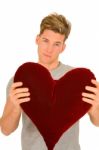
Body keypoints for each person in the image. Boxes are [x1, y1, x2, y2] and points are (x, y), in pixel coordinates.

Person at [1, 12, 99, 150]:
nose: (49, 49)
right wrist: (14, 105)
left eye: (56, 44)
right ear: (37, 39)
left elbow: (97, 122)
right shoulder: (20, 80)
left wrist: (95, 107)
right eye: (45, 40)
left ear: (63, 47)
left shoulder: (78, 80)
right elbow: (6, 130)